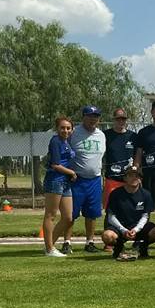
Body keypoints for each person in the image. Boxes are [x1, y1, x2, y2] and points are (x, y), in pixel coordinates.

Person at [63, 105, 107, 254]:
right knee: (71, 213)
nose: (93, 119)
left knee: (92, 213)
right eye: (89, 116)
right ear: (83, 117)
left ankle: (90, 242)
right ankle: (67, 242)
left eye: (96, 117)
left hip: (95, 179)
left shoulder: (101, 135)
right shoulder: (73, 133)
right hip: (77, 179)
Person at [101, 166, 155, 261]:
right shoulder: (115, 194)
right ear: (125, 178)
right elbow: (111, 216)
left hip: (138, 227)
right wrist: (124, 230)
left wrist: (136, 229)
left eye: (137, 176)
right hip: (120, 227)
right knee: (107, 236)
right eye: (130, 175)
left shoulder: (146, 194)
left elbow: (145, 216)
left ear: (140, 179)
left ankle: (142, 247)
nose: (134, 178)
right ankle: (119, 247)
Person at [41, 116, 77, 257]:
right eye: (62, 128)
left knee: (68, 217)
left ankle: (49, 245)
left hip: (66, 182)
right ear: (57, 129)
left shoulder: (66, 142)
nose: (65, 130)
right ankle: (50, 249)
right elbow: (55, 165)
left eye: (68, 128)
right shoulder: (55, 141)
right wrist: (71, 173)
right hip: (55, 181)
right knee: (51, 215)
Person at [102, 107, 135, 209]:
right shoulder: (105, 135)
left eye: (123, 119)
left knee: (129, 209)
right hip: (112, 179)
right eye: (118, 119)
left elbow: (138, 156)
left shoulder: (133, 136)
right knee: (111, 209)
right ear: (113, 119)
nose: (121, 121)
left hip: (129, 180)